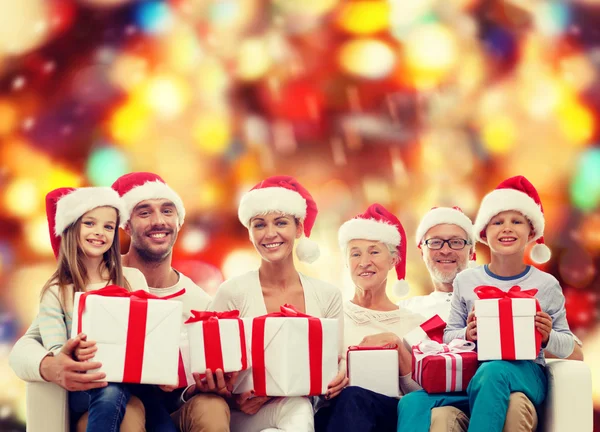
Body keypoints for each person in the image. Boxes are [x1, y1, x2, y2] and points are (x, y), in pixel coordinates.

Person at [10, 172, 232, 432]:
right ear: (124, 224)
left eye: (167, 211)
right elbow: (26, 347)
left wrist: (195, 388)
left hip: (164, 408)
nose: (158, 221)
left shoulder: (200, 302)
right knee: (128, 409)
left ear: (179, 220)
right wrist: (51, 365)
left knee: (211, 406)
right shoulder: (85, 284)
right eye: (144, 212)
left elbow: (181, 383)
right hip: (106, 403)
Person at [397, 176, 577, 432]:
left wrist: (547, 338)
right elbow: (450, 335)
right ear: (483, 233)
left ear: (531, 232)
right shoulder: (466, 281)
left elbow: (570, 346)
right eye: (497, 222)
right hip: (475, 375)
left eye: (517, 221)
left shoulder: (546, 284)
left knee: (494, 372)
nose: (506, 228)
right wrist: (467, 334)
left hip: (527, 374)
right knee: (413, 402)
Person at [210, 175, 345, 432]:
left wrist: (340, 378)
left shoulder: (328, 295)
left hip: (310, 415)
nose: (270, 234)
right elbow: (210, 367)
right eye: (259, 225)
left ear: (299, 228)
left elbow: (336, 366)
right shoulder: (232, 293)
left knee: (295, 411)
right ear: (249, 233)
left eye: (281, 222)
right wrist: (234, 400)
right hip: (245, 416)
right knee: (297, 409)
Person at [38, 186, 149, 431]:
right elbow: (57, 352)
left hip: (134, 380)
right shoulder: (56, 291)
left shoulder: (133, 279)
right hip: (85, 385)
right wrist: (72, 351)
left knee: (161, 421)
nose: (100, 232)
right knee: (110, 390)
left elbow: (150, 333)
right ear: (72, 228)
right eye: (90, 223)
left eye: (108, 227)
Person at [314, 203, 425, 432]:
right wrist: (329, 383)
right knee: (347, 398)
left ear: (393, 260)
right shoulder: (331, 316)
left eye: (374, 251)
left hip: (388, 418)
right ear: (347, 262)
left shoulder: (414, 323)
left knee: (355, 397)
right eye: (355, 254)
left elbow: (421, 395)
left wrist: (398, 347)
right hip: (333, 415)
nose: (364, 262)